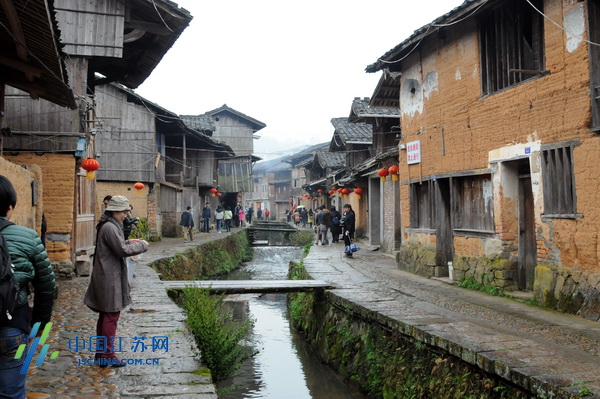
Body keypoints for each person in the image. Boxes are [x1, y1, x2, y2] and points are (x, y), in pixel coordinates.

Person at [0, 175, 56, 397]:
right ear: (10, 207)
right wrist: (39, 327)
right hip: (12, 323)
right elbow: (46, 286)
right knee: (11, 393)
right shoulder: (28, 237)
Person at [84, 195, 149, 367]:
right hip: (109, 277)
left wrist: (130, 241)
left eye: (127, 211)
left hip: (107, 275)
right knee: (111, 315)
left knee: (106, 314)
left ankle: (102, 354)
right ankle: (107, 355)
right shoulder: (110, 227)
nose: (126, 214)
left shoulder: (111, 226)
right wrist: (142, 245)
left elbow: (118, 244)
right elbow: (121, 250)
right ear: (114, 210)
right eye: (124, 211)